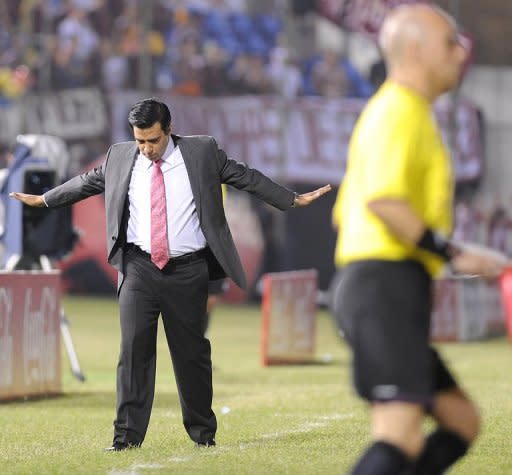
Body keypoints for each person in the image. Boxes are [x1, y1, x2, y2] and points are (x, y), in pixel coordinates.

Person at [10, 98, 331, 452]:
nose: (146, 149)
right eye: (140, 141)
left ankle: (202, 433)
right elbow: (87, 182)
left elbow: (245, 176)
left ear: (169, 130)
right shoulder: (119, 156)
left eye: (153, 140)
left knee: (191, 354)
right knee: (133, 353)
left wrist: (291, 200)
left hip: (187, 269)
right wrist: (46, 200)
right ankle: (126, 437)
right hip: (138, 268)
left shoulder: (202, 152)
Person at [332, 5, 509, 474]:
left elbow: (346, 213)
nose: (461, 52)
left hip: (389, 286)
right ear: (415, 50)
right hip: (382, 287)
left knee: (461, 421)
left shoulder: (407, 112)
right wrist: (454, 252)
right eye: (450, 42)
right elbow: (384, 204)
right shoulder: (399, 110)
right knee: (400, 435)